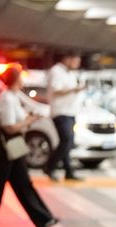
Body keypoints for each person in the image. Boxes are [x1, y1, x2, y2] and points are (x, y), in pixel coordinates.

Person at [0, 64, 58, 227]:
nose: (23, 79)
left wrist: (29, 118)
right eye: (20, 76)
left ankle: (44, 218)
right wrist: (29, 121)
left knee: (23, 183)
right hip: (3, 146)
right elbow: (9, 127)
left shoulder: (12, 96)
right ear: (15, 79)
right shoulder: (7, 99)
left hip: (13, 145)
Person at [43, 51, 85, 181]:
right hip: (61, 112)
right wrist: (75, 89)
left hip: (71, 111)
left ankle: (68, 171)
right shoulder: (56, 71)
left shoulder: (71, 73)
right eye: (76, 61)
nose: (77, 64)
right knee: (66, 140)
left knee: (68, 142)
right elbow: (56, 90)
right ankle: (49, 166)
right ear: (67, 59)